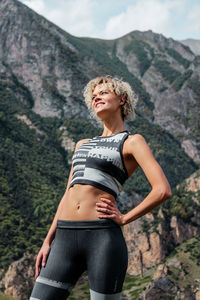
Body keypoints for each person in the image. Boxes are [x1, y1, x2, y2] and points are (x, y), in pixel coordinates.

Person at [30, 75, 172, 300]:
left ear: (122, 100)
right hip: (64, 239)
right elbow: (68, 194)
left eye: (104, 93)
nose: (97, 98)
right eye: (94, 96)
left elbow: (162, 190)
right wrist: (48, 241)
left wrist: (124, 218)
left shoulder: (131, 142)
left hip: (102, 239)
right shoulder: (82, 144)